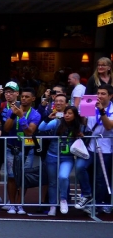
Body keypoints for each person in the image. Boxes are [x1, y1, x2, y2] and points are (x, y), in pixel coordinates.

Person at [2, 85, 41, 214]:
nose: (23, 99)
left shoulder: (35, 114)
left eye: (27, 97)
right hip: (11, 148)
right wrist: (13, 115)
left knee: (23, 177)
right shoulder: (11, 110)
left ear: (33, 99)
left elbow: (30, 132)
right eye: (22, 96)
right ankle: (12, 204)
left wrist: (21, 117)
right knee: (12, 177)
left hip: (27, 150)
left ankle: (20, 204)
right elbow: (6, 129)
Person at [38, 106, 82, 216]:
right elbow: (42, 128)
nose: (67, 115)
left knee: (63, 176)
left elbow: (86, 132)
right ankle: (52, 205)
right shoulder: (57, 122)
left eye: (70, 113)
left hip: (67, 157)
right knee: (52, 182)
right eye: (65, 113)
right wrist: (48, 118)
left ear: (75, 115)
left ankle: (63, 200)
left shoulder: (78, 125)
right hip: (52, 155)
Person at [75, 84, 113, 213]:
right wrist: (83, 114)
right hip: (90, 145)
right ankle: (87, 195)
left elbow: (109, 126)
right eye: (98, 93)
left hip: (106, 147)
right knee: (80, 167)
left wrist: (102, 111)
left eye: (103, 94)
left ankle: (97, 204)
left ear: (110, 96)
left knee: (100, 178)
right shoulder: (90, 103)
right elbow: (85, 124)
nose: (99, 96)